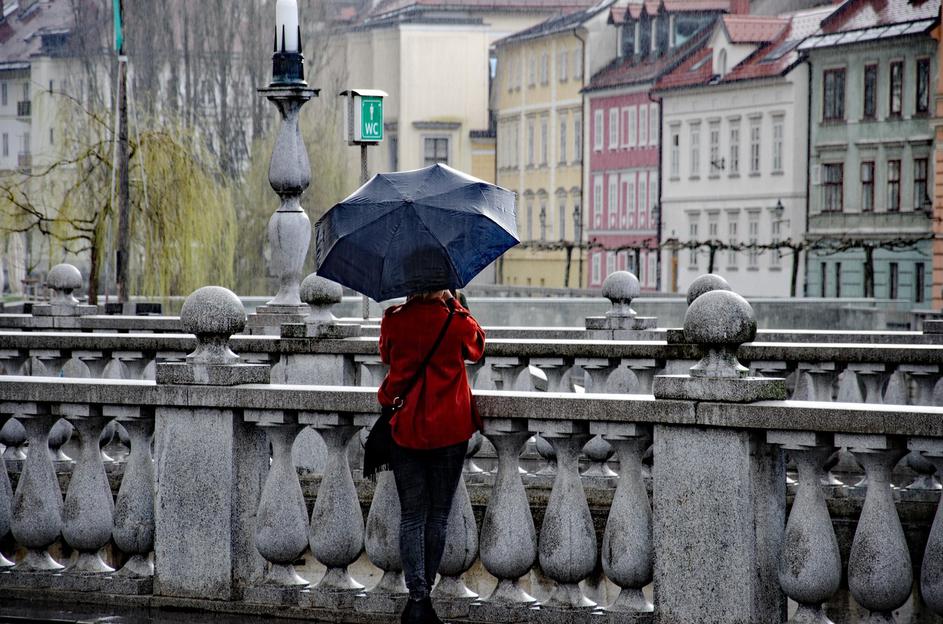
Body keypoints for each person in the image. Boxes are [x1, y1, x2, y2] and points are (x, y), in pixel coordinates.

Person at [378, 289, 485, 624]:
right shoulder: (455, 321)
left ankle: (418, 597)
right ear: (443, 284)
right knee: (438, 516)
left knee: (412, 516)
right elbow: (478, 347)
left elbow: (385, 354)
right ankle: (424, 598)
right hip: (449, 432)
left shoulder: (395, 320)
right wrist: (455, 303)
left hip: (405, 428)